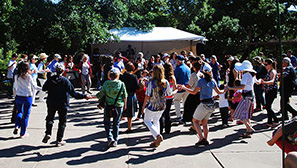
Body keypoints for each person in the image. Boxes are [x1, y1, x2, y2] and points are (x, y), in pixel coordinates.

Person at [42, 63, 91, 146]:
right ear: (63, 71)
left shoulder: (51, 79)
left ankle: (48, 133)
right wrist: (84, 96)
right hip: (63, 103)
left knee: (50, 118)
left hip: (51, 102)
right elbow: (73, 93)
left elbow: (44, 88)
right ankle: (59, 140)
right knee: (62, 122)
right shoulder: (65, 81)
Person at [180, 63, 226, 146]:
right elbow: (219, 92)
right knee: (205, 123)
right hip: (211, 104)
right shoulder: (213, 81)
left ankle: (201, 138)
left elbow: (194, 92)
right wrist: (226, 89)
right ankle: (205, 138)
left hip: (204, 103)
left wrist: (184, 88)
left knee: (195, 121)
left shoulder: (201, 81)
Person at [142, 65, 175, 147]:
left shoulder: (151, 82)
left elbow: (147, 95)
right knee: (156, 120)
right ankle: (156, 138)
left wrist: (143, 106)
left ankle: (157, 136)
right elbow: (170, 95)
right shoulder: (165, 82)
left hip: (152, 105)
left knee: (147, 120)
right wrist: (176, 90)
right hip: (162, 105)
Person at [95, 68, 127, 147]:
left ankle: (110, 137)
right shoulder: (121, 84)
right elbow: (125, 95)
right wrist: (125, 104)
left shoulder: (106, 83)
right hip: (118, 105)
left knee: (107, 122)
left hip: (108, 105)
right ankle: (115, 140)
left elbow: (101, 93)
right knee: (116, 123)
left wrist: (93, 97)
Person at [227, 60, 259, 138]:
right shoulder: (252, 75)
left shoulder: (246, 75)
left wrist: (231, 88)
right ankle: (248, 131)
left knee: (239, 114)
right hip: (250, 95)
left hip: (246, 96)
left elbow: (242, 86)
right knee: (246, 115)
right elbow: (257, 82)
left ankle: (250, 128)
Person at [13, 61, 41, 138]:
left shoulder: (17, 76)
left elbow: (15, 87)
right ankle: (23, 133)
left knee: (19, 112)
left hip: (19, 95)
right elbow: (34, 86)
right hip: (27, 96)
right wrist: (43, 89)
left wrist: (14, 95)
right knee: (26, 115)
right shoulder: (28, 76)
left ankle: (17, 125)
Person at [120, 62, 139, 133]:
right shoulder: (134, 77)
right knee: (130, 113)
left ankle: (117, 125)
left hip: (123, 95)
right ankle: (129, 127)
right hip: (131, 95)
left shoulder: (121, 76)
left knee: (121, 110)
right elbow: (137, 87)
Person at [261, 59, 279, 128]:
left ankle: (276, 120)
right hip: (268, 91)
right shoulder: (268, 71)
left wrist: (264, 82)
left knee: (268, 106)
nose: (265, 66)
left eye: (266, 64)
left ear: (270, 64)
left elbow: (272, 81)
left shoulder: (273, 72)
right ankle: (269, 122)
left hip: (272, 91)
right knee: (268, 107)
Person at [160, 62, 177, 134]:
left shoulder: (162, 77)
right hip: (170, 97)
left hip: (163, 97)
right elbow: (174, 87)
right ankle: (168, 129)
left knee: (161, 114)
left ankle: (160, 129)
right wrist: (176, 90)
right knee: (167, 113)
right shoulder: (172, 77)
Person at [182, 62, 202, 126]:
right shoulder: (201, 74)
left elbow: (190, 85)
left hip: (194, 93)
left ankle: (193, 122)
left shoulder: (194, 75)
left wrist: (183, 87)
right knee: (197, 108)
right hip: (200, 93)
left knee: (189, 107)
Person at [174, 55, 191, 121]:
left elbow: (175, 79)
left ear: (178, 61)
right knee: (185, 102)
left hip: (179, 87)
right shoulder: (187, 67)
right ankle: (186, 115)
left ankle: (179, 115)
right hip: (187, 87)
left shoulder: (178, 69)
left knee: (176, 101)